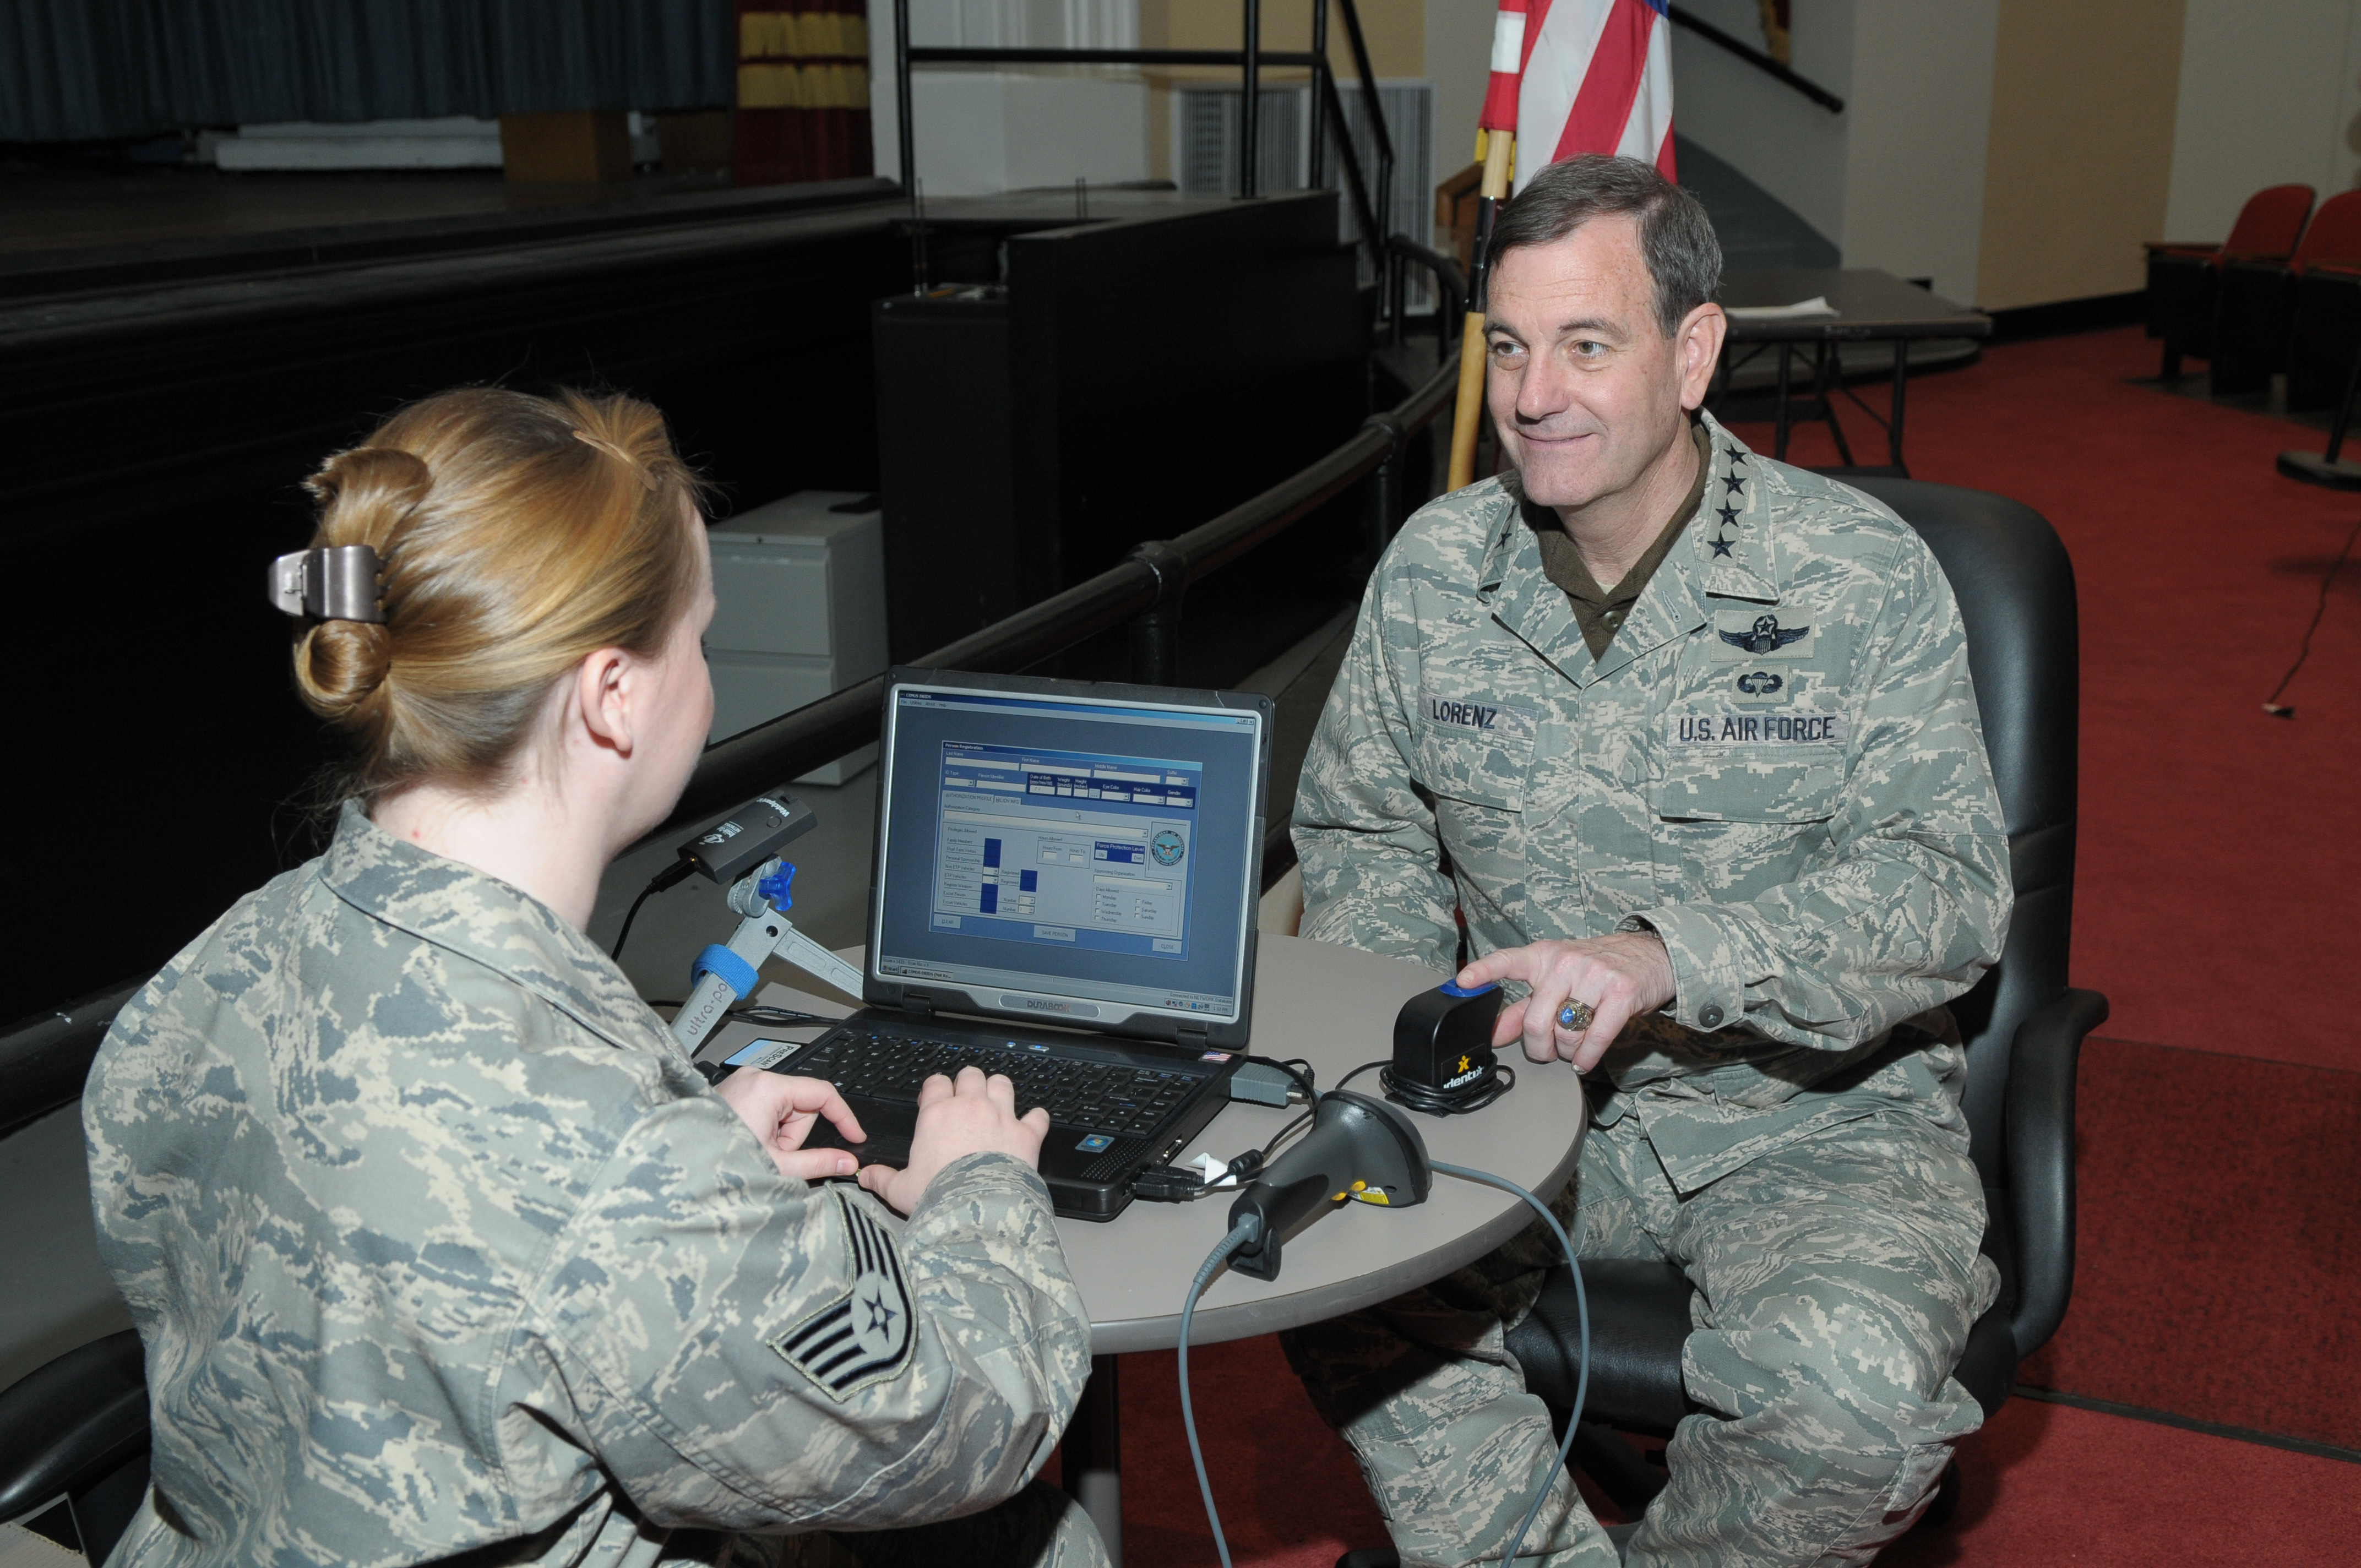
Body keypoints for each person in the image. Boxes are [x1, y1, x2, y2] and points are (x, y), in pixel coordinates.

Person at [83, 388, 1107, 1568]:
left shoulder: (209, 974)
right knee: (1040, 1539)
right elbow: (960, 1427)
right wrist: (981, 1185)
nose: (707, 680)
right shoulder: (617, 1161)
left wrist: (689, 1151)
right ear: (613, 695)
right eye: (700, 640)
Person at [1286, 155, 2012, 1568]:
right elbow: (1363, 827)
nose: (1531, 393)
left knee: (1847, 1403)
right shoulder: (1436, 571)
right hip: (1519, 1096)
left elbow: (1946, 886)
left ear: (1692, 353)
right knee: (1304, 1245)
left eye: (1584, 344)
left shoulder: (1854, 572)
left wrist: (1671, 957)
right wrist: (1410, 1020)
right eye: (1507, 346)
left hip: (1804, 1114)